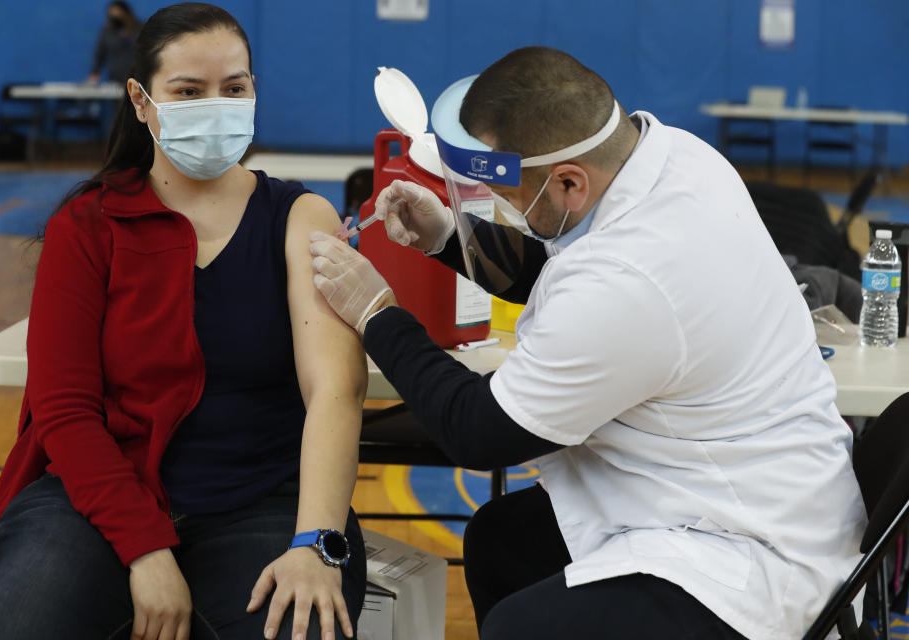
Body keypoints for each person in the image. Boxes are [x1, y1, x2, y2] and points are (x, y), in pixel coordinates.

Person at [308, 47, 867, 639]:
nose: (500, 207)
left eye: (508, 190)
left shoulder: (632, 277)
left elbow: (480, 430)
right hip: (746, 484)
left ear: (570, 180)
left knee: (523, 626)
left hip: (748, 549)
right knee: (501, 540)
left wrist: (377, 313)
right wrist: (448, 235)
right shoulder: (672, 156)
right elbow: (556, 270)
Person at [0, 4, 366, 640]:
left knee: (302, 628)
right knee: (16, 624)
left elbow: (336, 392)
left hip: (261, 499)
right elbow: (64, 410)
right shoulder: (89, 225)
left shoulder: (301, 216)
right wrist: (146, 550)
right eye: (188, 91)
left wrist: (315, 544)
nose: (216, 105)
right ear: (142, 101)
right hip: (99, 497)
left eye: (234, 88)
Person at [88, 1, 142, 85]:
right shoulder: (108, 32)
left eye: (119, 14)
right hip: (116, 80)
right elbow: (99, 54)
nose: (116, 17)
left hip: (140, 79)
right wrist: (95, 72)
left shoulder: (142, 29)